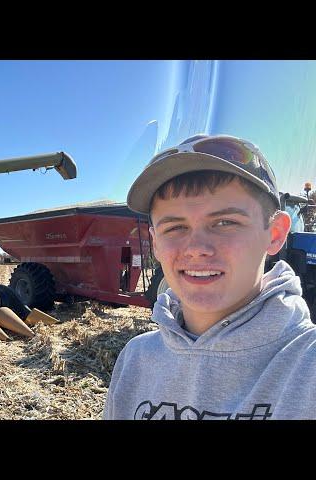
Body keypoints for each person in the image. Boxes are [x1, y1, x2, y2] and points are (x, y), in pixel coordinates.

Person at [102, 134, 316, 420]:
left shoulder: (306, 366)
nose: (196, 249)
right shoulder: (136, 360)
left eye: (225, 222)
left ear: (275, 234)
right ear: (155, 243)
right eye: (175, 227)